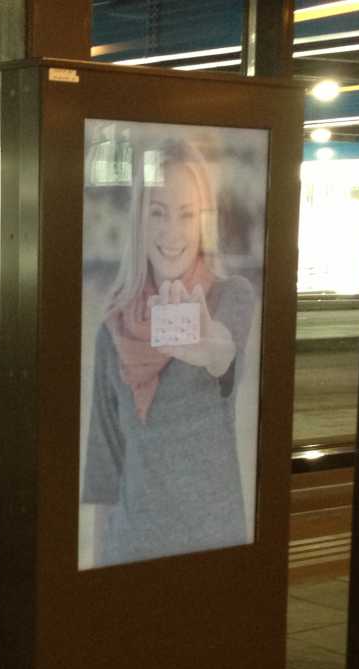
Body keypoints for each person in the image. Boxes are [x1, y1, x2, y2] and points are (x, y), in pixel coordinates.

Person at [81, 136, 256, 568]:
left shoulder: (231, 297)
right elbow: (106, 464)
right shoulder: (114, 326)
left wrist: (204, 345)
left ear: (203, 223)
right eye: (158, 213)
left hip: (212, 546)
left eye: (186, 214)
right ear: (140, 221)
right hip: (130, 549)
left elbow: (224, 354)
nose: (172, 232)